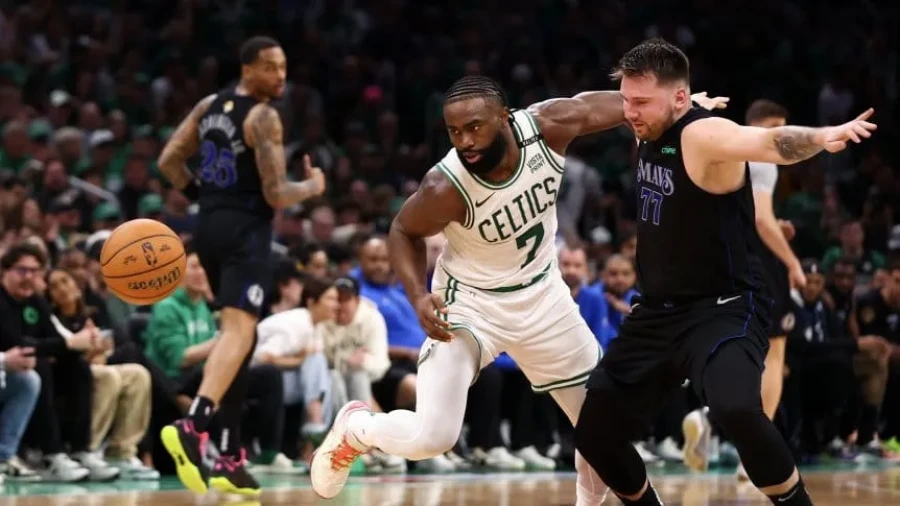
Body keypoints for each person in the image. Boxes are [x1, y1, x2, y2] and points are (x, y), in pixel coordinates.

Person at [310, 73, 726, 502]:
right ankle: (358, 429)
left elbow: (617, 106)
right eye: (455, 131)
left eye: (475, 127)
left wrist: (676, 106)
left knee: (603, 432)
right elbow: (402, 230)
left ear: (504, 118)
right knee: (433, 436)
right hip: (470, 306)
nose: (465, 140)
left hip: (543, 299)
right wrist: (417, 294)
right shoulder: (444, 186)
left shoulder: (549, 126)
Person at [573, 38, 875, 506]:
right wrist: (673, 102)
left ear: (676, 98)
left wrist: (819, 137)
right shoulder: (652, 123)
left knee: (736, 408)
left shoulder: (704, 135)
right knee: (594, 435)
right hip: (658, 312)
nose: (628, 112)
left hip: (724, 308)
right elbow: (652, 106)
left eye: (639, 103)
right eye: (626, 100)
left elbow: (765, 140)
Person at [155, 36, 325, 496]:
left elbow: (169, 160)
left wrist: (205, 200)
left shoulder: (210, 105)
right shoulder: (263, 116)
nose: (281, 76)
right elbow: (275, 194)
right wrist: (311, 186)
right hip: (246, 230)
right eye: (271, 67)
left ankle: (230, 458)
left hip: (208, 224)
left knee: (241, 340)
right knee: (238, 330)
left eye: (284, 67)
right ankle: (195, 426)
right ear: (247, 68)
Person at [681, 99, 805, 479]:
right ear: (763, 125)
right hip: (759, 261)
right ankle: (755, 454)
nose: (783, 134)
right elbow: (763, 221)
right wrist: (793, 262)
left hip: (719, 255)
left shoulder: (718, 145)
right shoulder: (761, 149)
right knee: (774, 353)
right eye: (779, 126)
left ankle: (708, 417)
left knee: (733, 345)